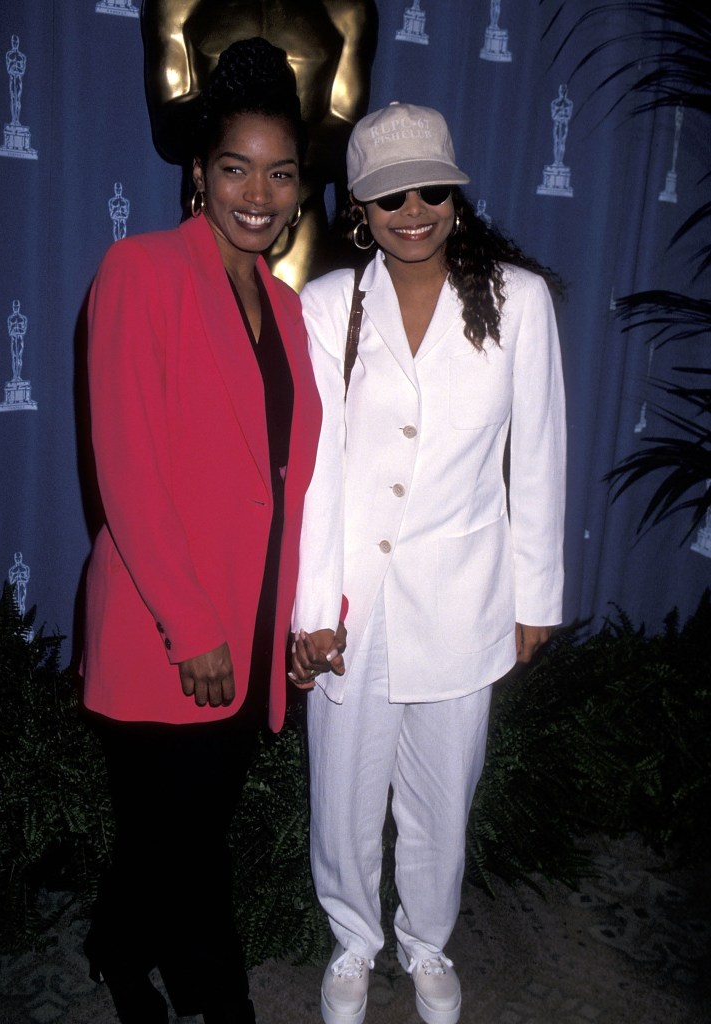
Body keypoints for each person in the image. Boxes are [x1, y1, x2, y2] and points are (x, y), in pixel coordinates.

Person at [291, 102, 566, 1024]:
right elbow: (317, 470)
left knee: (444, 795)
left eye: (431, 190)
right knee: (343, 794)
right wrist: (309, 611)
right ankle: (353, 944)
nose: (414, 210)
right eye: (388, 195)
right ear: (357, 209)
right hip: (352, 598)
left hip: (465, 595)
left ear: (456, 194)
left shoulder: (517, 301)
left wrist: (536, 595)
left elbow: (539, 458)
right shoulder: (328, 305)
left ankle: (427, 943)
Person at [81, 38, 321, 1024]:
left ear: (303, 186)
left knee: (167, 832)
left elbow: (298, 483)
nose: (256, 192)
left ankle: (113, 945)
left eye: (279, 172)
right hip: (166, 630)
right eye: (234, 167)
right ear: (197, 174)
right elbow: (127, 470)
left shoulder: (288, 310)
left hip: (252, 627)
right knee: (191, 850)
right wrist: (194, 625)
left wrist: (302, 620)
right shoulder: (139, 271)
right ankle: (222, 1003)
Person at [141, 0, 377, 288]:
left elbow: (348, 134)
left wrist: (276, 138)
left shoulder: (348, 9)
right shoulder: (178, 4)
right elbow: (170, 124)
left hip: (299, 222)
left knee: (296, 325)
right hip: (214, 218)